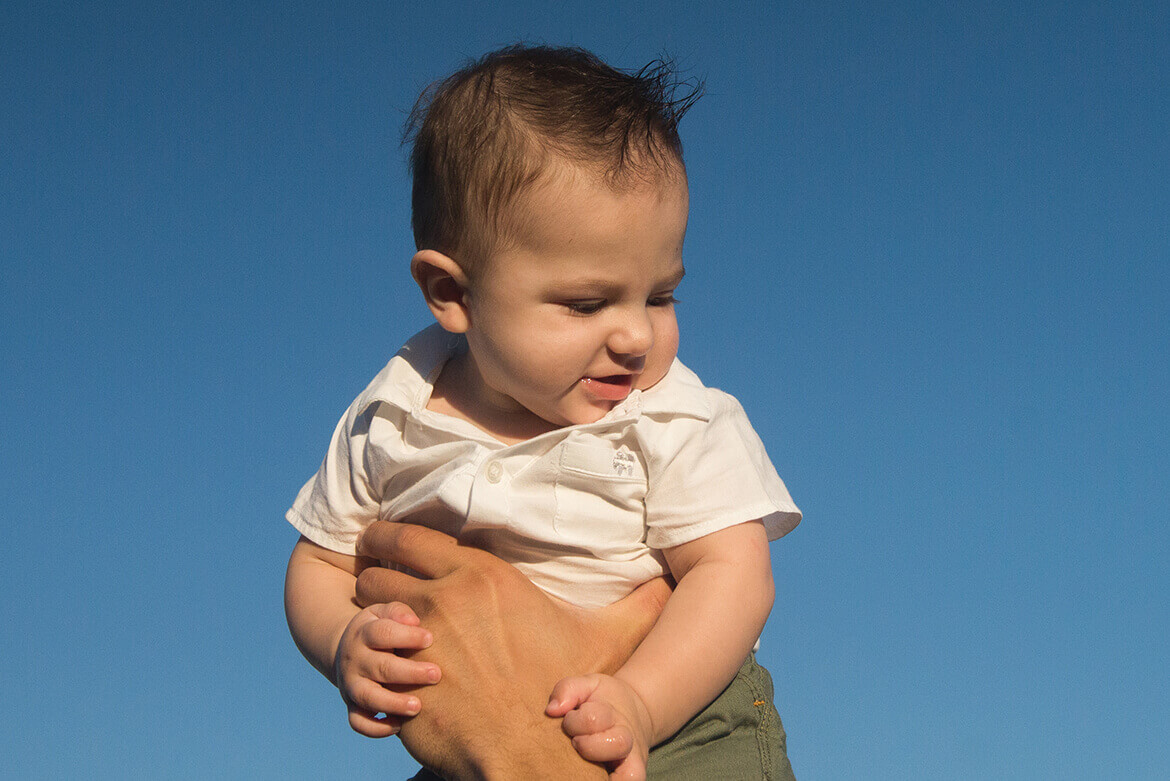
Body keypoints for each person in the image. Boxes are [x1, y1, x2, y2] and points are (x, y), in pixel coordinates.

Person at [284, 45, 801, 779]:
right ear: (453, 294)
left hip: (681, 718)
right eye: (588, 303)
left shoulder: (671, 414)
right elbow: (319, 559)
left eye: (659, 294)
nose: (635, 335)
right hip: (468, 729)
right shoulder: (393, 409)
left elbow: (736, 573)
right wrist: (343, 640)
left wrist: (641, 702)